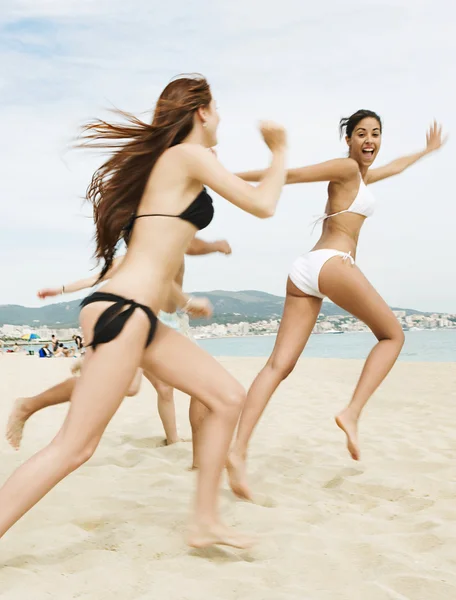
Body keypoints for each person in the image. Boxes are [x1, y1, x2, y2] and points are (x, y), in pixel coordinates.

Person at [0, 74, 287, 549]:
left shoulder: (172, 166)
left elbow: (163, 247)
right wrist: (279, 151)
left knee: (227, 398)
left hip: (138, 316)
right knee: (75, 448)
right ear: (201, 111)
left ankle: (204, 521)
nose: (220, 118)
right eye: (216, 109)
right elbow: (263, 203)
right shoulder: (183, 156)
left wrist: (199, 261)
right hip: (122, 311)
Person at [227, 113, 446, 500]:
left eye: (376, 134)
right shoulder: (345, 167)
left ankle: (237, 449)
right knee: (392, 336)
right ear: (348, 139)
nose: (370, 140)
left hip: (306, 271)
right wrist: (226, 175)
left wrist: (425, 152)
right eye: (362, 133)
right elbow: (289, 174)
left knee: (279, 365)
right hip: (332, 263)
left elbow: (393, 168)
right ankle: (352, 412)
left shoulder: (362, 177)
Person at [7, 236, 232, 453]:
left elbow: (189, 244)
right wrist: (61, 289)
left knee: (173, 389)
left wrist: (214, 247)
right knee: (129, 387)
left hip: (174, 324)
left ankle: (179, 444)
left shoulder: (172, 246)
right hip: (142, 322)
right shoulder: (132, 259)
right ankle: (36, 401)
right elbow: (95, 278)